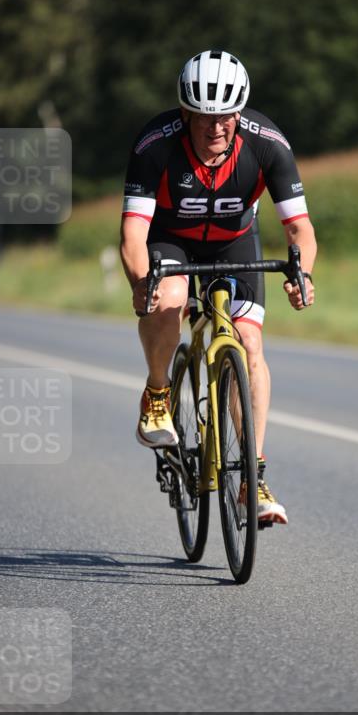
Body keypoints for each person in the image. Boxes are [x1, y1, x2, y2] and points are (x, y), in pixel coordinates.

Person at [120, 50, 316, 525]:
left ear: (240, 112)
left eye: (226, 116)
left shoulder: (266, 143)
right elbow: (132, 233)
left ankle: (253, 478)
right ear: (185, 113)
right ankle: (158, 394)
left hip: (234, 241)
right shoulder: (156, 144)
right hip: (169, 238)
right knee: (168, 300)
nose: (216, 127)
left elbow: (299, 229)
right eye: (204, 117)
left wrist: (303, 274)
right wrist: (142, 284)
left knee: (249, 343)